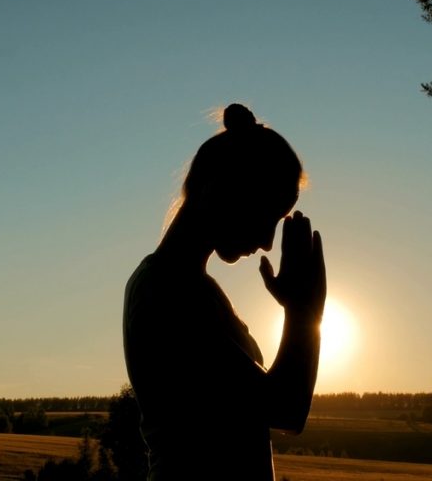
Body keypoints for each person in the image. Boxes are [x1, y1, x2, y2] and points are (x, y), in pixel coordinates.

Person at [123, 103, 326, 479]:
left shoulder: (192, 289)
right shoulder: (166, 292)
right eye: (267, 215)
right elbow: (285, 408)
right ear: (221, 190)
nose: (268, 242)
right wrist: (305, 312)